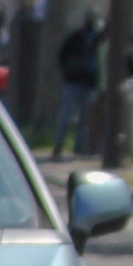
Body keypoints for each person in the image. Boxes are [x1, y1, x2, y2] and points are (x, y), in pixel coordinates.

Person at [54, 11, 102, 159]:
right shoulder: (76, 37)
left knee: (84, 117)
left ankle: (79, 148)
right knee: (67, 114)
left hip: (88, 82)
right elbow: (62, 55)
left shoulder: (97, 38)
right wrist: (68, 71)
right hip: (74, 81)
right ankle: (59, 145)